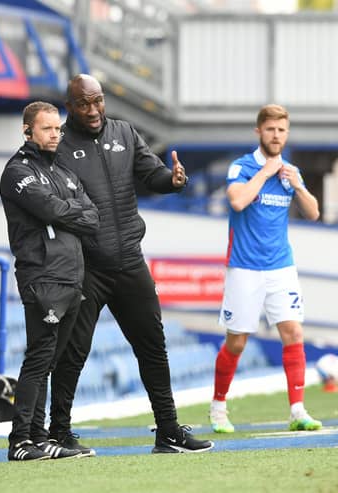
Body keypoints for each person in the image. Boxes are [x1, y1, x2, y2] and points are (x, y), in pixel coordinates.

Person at [49, 74, 214, 454]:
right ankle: (59, 431)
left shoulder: (124, 132)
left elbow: (151, 173)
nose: (93, 111)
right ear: (70, 107)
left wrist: (172, 181)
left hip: (130, 262)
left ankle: (168, 431)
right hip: (87, 268)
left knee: (153, 345)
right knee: (74, 352)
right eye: (83, 104)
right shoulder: (59, 145)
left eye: (98, 101)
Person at [209, 104, 322, 433]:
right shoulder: (242, 167)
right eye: (271, 129)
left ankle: (297, 410)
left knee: (294, 333)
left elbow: (313, 213)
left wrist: (298, 185)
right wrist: (266, 172)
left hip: (281, 267)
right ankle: (218, 407)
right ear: (259, 132)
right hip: (244, 267)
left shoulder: (290, 172)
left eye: (282, 130)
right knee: (237, 342)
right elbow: (238, 201)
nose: (277, 136)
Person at [0, 101, 100, 461]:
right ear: (27, 131)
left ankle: (40, 438)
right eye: (47, 128)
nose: (55, 134)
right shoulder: (17, 171)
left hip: (72, 277)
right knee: (39, 358)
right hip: (42, 275)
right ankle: (20, 441)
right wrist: (69, 212)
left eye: (57, 128)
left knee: (51, 362)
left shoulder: (64, 171)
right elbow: (50, 210)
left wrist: (66, 212)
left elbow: (93, 217)